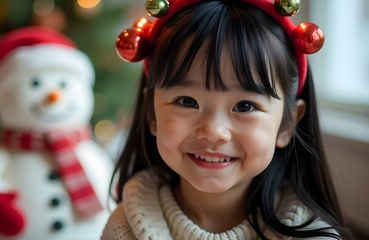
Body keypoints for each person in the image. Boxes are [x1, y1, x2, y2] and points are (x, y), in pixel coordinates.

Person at [102, 0, 349, 239]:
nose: (213, 131)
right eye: (188, 101)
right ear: (151, 113)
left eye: (245, 106)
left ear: (287, 124)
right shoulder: (123, 229)